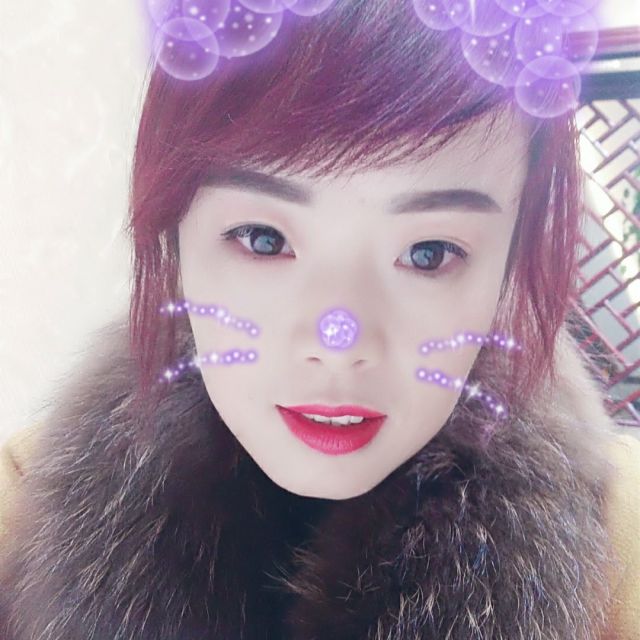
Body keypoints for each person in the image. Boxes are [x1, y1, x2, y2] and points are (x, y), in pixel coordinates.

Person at [0, 0, 638, 638]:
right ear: (175, 237)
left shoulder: (622, 548)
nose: (339, 340)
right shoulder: (21, 503)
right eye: (264, 239)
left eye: (428, 253)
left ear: (509, 263)